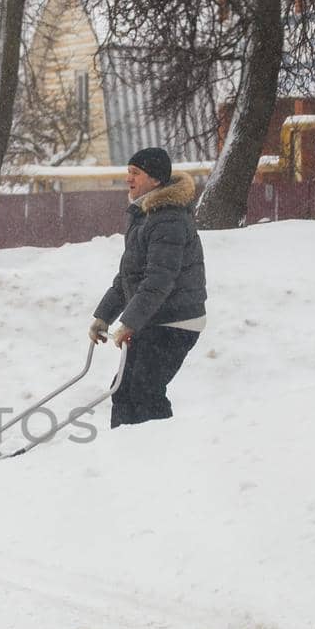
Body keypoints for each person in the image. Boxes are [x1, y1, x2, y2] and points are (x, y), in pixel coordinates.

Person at [87, 146, 207, 427]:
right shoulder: (145, 216)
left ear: (155, 180)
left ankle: (158, 455)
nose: (129, 178)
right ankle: (123, 453)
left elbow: (158, 281)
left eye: (136, 173)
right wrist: (103, 316)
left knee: (145, 391)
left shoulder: (169, 219)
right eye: (128, 172)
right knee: (123, 390)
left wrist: (128, 322)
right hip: (153, 318)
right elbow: (127, 277)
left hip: (176, 321)